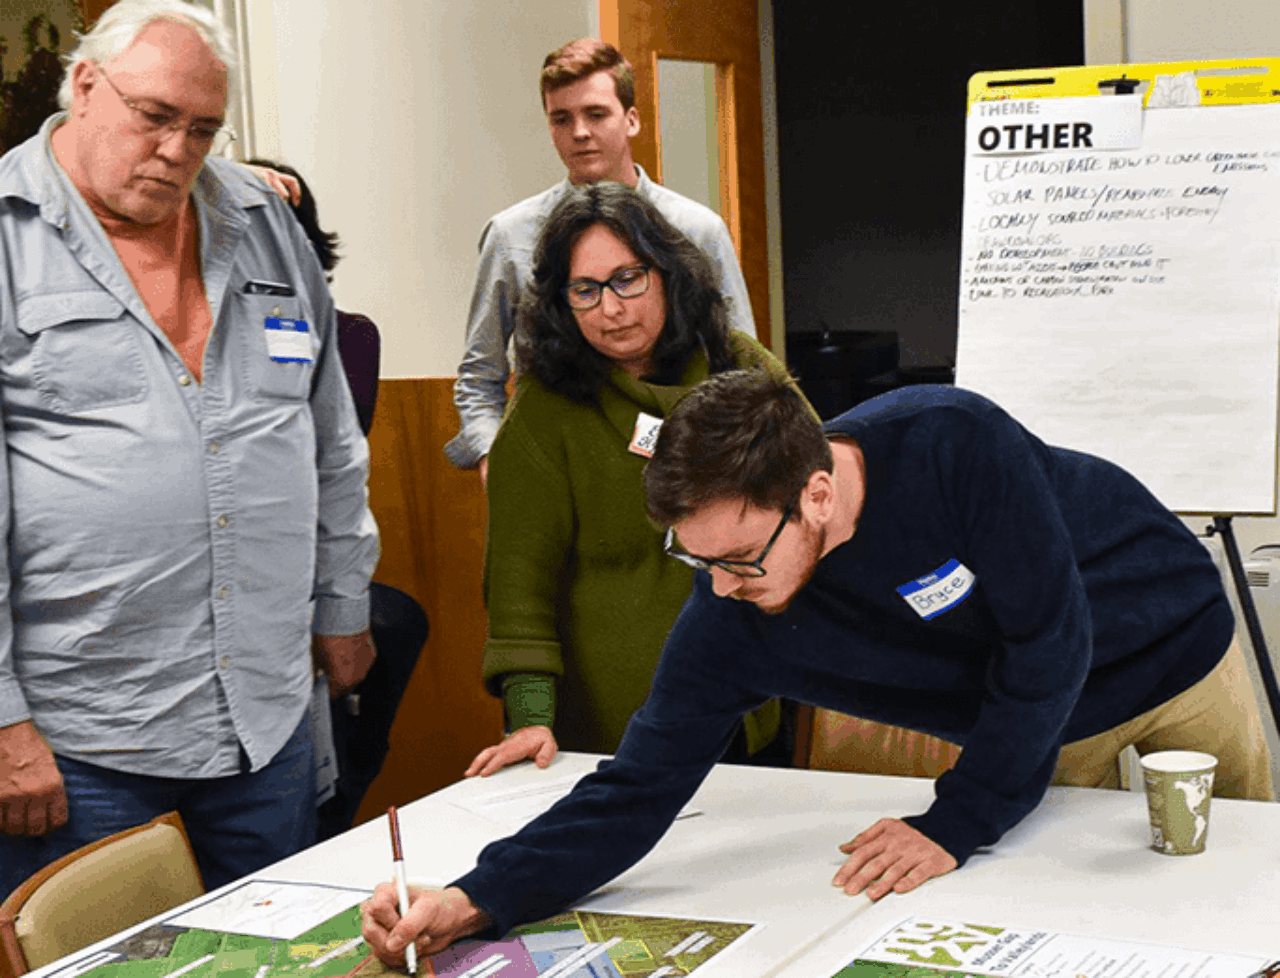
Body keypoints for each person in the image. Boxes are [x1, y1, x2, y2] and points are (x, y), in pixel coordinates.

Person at [362, 370, 1273, 957]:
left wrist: (959, 820)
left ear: (820, 494)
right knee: (1116, 937)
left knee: (1247, 896)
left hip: (1172, 657)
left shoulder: (953, 443)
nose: (721, 588)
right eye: (698, 560)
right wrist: (479, 897)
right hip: (1041, 723)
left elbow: (1049, 639)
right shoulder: (732, 608)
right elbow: (637, 787)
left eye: (742, 558)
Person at [0, 0, 378, 897]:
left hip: (265, 712)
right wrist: (4, 722)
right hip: (81, 735)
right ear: (84, 85)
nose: (177, 150)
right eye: (155, 117)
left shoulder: (261, 219)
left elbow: (328, 433)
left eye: (203, 129)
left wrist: (344, 600)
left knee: (284, 951)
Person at [464, 183, 790, 778]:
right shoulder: (545, 408)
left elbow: (823, 489)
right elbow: (518, 588)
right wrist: (529, 717)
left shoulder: (739, 363)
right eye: (584, 290)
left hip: (748, 702)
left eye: (627, 279)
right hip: (614, 734)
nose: (610, 309)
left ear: (668, 272)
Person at [443, 37, 755, 485]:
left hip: (678, 472)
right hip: (557, 472)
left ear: (631, 120)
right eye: (561, 119)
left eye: (596, 114)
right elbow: (479, 377)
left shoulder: (696, 230)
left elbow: (740, 366)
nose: (580, 132)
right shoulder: (511, 236)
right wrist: (499, 461)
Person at [245, 157, 431, 840]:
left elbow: (331, 450)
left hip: (304, 557)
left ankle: (337, 806)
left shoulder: (343, 333)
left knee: (391, 623)